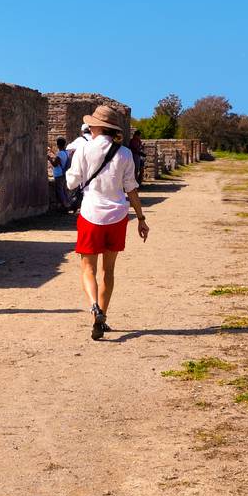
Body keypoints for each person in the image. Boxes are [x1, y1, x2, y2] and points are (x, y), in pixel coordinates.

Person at [64, 103, 148, 340]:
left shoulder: (84, 150)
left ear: (98, 127)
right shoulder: (125, 154)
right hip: (117, 216)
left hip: (91, 214)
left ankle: (94, 306)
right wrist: (141, 218)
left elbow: (71, 182)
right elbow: (131, 189)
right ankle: (101, 320)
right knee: (108, 271)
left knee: (87, 268)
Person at [48, 133, 73, 211]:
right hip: (64, 173)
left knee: (60, 190)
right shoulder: (66, 153)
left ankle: (65, 205)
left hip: (59, 175)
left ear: (58, 145)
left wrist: (49, 159)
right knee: (64, 190)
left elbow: (55, 164)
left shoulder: (60, 154)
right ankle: (68, 204)